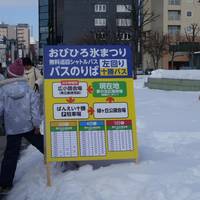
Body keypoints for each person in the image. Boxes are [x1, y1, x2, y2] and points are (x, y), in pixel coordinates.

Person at [0, 59, 44, 194]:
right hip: (28, 126)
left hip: (13, 128)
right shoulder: (29, 89)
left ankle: (5, 183)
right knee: (42, 144)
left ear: (10, 74)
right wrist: (36, 124)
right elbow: (34, 109)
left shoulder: (2, 91)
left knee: (10, 155)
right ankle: (59, 156)